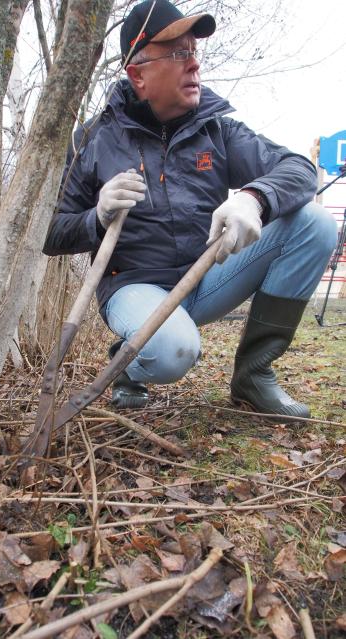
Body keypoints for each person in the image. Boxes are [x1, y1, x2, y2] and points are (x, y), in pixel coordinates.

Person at [43, 0, 337, 417]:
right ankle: (131, 362)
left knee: (314, 224)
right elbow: (50, 233)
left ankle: (254, 374)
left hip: (206, 276)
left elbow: (299, 169)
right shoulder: (91, 141)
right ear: (138, 75)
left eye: (194, 53)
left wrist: (253, 198)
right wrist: (97, 215)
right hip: (134, 286)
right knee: (172, 351)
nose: (194, 65)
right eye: (179, 54)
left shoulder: (217, 128)